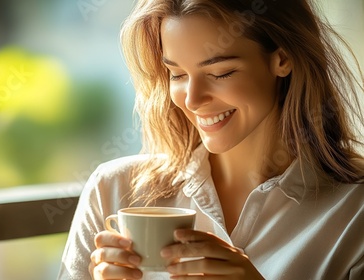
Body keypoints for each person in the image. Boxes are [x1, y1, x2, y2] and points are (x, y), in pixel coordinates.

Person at [58, 0, 364, 279]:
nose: (192, 99)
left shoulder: (354, 212)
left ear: (282, 59)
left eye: (220, 72)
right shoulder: (113, 191)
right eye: (177, 75)